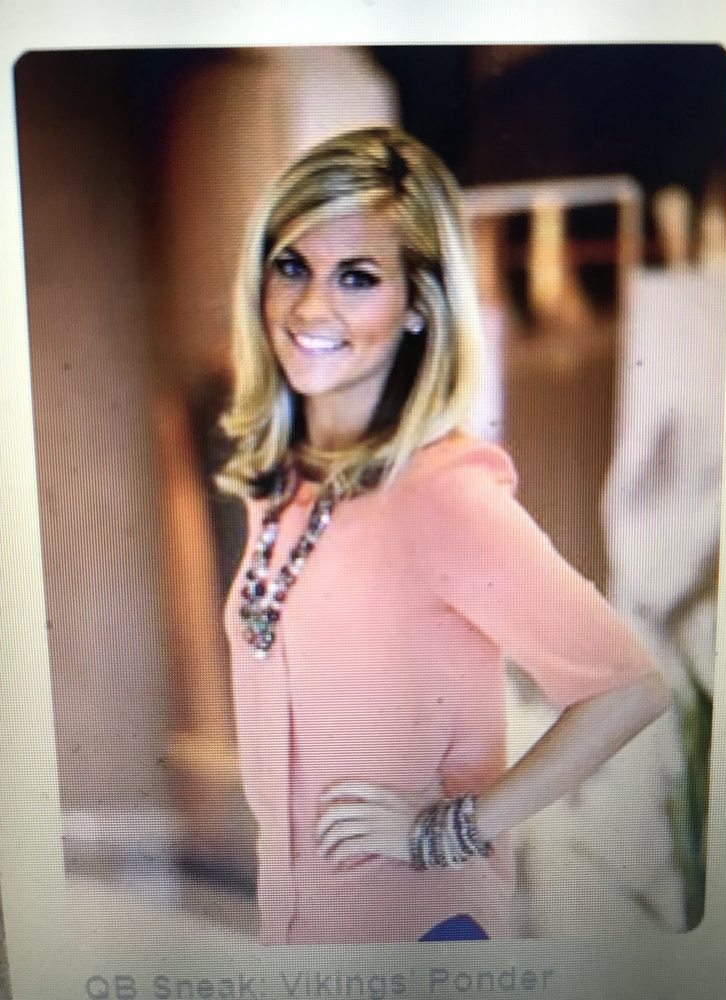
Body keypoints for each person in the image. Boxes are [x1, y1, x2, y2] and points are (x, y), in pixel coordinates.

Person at [219, 126, 668, 945]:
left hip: (425, 939)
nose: (310, 307)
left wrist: (449, 832)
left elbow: (627, 689)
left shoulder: (443, 493)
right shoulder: (281, 485)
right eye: (292, 265)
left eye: (358, 278)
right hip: (299, 932)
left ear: (419, 306)